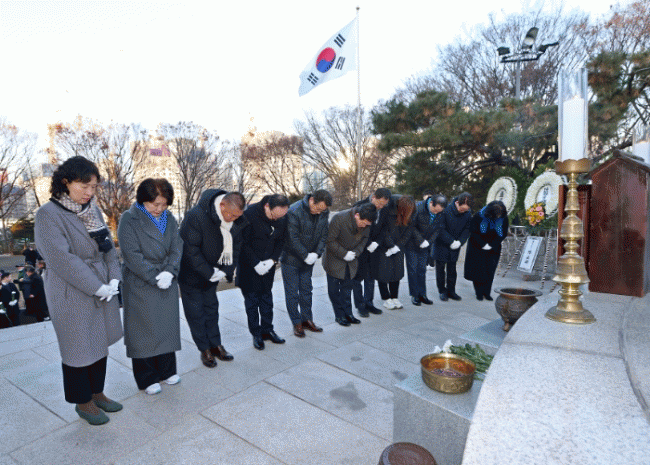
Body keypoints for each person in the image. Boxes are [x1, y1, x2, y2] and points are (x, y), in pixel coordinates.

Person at [34, 156, 122, 426]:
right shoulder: (48, 214)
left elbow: (108, 247)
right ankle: (82, 401)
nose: (89, 192)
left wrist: (114, 278)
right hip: (70, 289)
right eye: (84, 186)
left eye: (93, 187)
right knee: (78, 348)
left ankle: (97, 393)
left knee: (98, 342)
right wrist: (97, 286)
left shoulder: (93, 210)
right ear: (66, 182)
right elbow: (62, 259)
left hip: (102, 283)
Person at [118, 178, 183, 395]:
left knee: (166, 328)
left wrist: (170, 271)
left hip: (166, 277)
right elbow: (131, 255)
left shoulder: (169, 218)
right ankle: (147, 377)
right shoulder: (129, 219)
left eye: (164, 204)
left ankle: (167, 370)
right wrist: (155, 277)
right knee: (143, 332)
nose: (159, 209)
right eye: (155, 204)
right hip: (141, 282)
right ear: (143, 200)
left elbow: (177, 247)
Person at [178, 189, 247, 368]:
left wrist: (226, 270)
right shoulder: (196, 216)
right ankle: (204, 349)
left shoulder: (236, 219)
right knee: (196, 314)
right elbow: (190, 250)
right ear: (222, 205)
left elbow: (236, 248)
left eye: (237, 216)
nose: (233, 219)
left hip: (214, 273)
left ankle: (216, 345)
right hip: (191, 275)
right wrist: (208, 272)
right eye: (231, 215)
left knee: (211, 310)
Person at [237, 194, 289, 350]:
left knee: (267, 299)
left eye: (280, 217)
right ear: (267, 206)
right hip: (249, 266)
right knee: (252, 301)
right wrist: (255, 263)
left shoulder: (281, 216)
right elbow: (242, 243)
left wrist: (273, 260)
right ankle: (256, 333)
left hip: (268, 265)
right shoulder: (248, 214)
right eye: (274, 215)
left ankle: (268, 330)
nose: (276, 219)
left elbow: (281, 240)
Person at [280, 189, 332, 338]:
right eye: (317, 208)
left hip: (309, 259)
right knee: (292, 293)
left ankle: (307, 319)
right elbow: (292, 238)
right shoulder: (294, 211)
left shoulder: (323, 212)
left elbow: (324, 235)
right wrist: (305, 255)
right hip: (291, 259)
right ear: (311, 200)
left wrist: (317, 253)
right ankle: (296, 323)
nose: (319, 212)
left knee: (306, 290)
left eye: (322, 210)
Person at [323, 203, 377, 326]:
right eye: (363, 223)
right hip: (334, 258)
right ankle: (339, 315)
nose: (364, 226)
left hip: (351, 258)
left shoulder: (367, 222)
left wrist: (355, 253)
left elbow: (364, 240)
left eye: (367, 225)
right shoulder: (339, 218)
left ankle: (348, 314)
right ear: (357, 215)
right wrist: (344, 253)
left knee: (347, 288)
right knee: (334, 290)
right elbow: (329, 240)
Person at [373, 196, 424, 309]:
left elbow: (409, 231)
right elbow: (383, 230)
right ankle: (386, 298)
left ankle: (394, 297)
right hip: (384, 247)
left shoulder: (411, 213)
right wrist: (391, 246)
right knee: (383, 273)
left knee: (396, 273)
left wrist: (398, 246)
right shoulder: (387, 210)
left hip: (399, 247)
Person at [351, 188, 391, 317]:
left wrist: (377, 243)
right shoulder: (359, 206)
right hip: (360, 248)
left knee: (371, 277)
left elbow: (385, 228)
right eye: (379, 203)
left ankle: (369, 302)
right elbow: (356, 230)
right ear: (373, 197)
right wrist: (368, 243)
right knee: (357, 278)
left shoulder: (384, 209)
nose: (380, 207)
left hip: (375, 249)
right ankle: (360, 305)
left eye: (383, 205)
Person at [405, 194, 447, 306]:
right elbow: (411, 226)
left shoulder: (441, 212)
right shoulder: (417, 208)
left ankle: (422, 295)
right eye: (435, 210)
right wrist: (420, 240)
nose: (436, 213)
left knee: (422, 269)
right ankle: (415, 295)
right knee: (413, 269)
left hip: (426, 244)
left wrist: (429, 242)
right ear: (431, 203)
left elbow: (438, 229)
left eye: (439, 212)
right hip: (412, 244)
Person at [464, 201, 509, 301]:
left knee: (490, 270)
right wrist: (483, 244)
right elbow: (473, 232)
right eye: (496, 215)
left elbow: (503, 233)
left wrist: (492, 244)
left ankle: (487, 293)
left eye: (499, 215)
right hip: (477, 246)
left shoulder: (504, 217)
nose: (498, 216)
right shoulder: (478, 216)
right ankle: (479, 293)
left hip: (493, 247)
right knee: (478, 270)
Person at [435, 192, 473, 301]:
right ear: (457, 203)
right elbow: (440, 228)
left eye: (466, 210)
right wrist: (451, 241)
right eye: (462, 209)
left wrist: (460, 242)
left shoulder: (467, 213)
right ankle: (442, 291)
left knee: (452, 269)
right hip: (441, 244)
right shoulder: (445, 209)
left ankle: (451, 291)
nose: (463, 211)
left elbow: (467, 229)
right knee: (440, 269)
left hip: (456, 245)